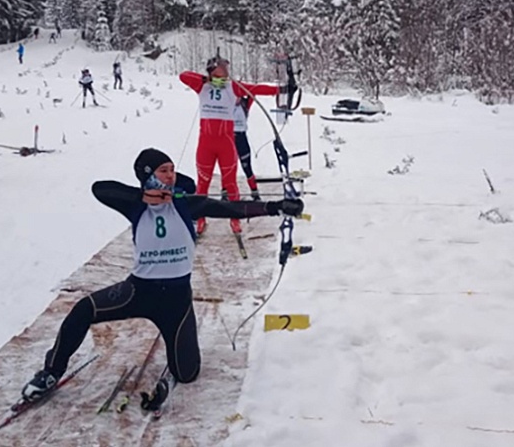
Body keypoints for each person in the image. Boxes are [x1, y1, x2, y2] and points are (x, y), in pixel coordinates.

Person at [21, 148, 304, 408]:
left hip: (176, 301)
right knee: (83, 309)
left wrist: (276, 206)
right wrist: (140, 197)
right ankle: (51, 372)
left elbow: (231, 208)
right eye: (163, 171)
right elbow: (100, 189)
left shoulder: (184, 204)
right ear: (148, 176)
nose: (170, 176)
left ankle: (176, 352)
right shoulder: (135, 206)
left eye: (172, 170)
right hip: (137, 291)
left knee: (187, 374)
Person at [180, 56, 290, 236]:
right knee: (202, 184)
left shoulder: (233, 86)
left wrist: (280, 90)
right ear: (213, 69)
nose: (226, 71)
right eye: (223, 67)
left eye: (227, 67)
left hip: (226, 144)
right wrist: (206, 79)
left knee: (231, 185)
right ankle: (200, 219)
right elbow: (183, 76)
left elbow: (256, 89)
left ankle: (235, 219)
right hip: (206, 144)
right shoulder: (202, 86)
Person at [233, 96, 261, 201]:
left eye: (238, 96)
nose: (236, 99)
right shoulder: (227, 103)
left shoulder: (245, 104)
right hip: (229, 138)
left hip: (241, 138)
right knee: (229, 169)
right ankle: (226, 193)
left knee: (247, 167)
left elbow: (253, 93)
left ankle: (254, 192)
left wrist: (245, 90)